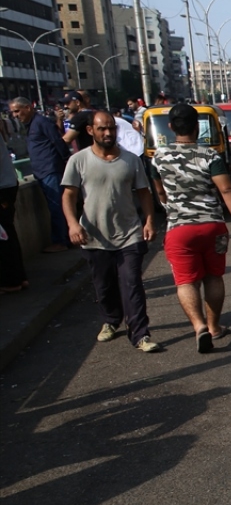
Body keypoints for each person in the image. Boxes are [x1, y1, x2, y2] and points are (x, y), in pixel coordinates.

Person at [152, 104, 231, 353]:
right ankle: (214, 326)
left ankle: (199, 327)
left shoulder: (158, 157)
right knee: (213, 276)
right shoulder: (211, 156)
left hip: (179, 229)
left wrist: (170, 206)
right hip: (212, 226)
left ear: (171, 127)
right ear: (198, 127)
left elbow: (160, 192)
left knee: (186, 281)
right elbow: (227, 189)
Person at [61, 111, 160, 353]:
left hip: (129, 234)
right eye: (102, 129)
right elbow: (69, 195)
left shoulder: (130, 160)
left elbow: (144, 193)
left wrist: (149, 221)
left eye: (111, 128)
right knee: (104, 286)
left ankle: (140, 334)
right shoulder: (79, 160)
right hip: (95, 236)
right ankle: (111, 320)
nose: (108, 133)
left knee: (132, 283)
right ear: (90, 131)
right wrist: (73, 224)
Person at [9, 97, 71, 252]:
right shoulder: (31, 125)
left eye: (17, 111)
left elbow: (58, 142)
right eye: (13, 113)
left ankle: (61, 241)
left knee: (57, 207)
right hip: (42, 172)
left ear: (28, 108)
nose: (15, 115)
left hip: (50, 170)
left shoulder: (42, 122)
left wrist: (66, 163)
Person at [0, 119, 27, 292]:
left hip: (2, 188)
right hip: (7, 185)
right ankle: (19, 277)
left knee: (3, 236)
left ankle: (11, 281)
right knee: (8, 232)